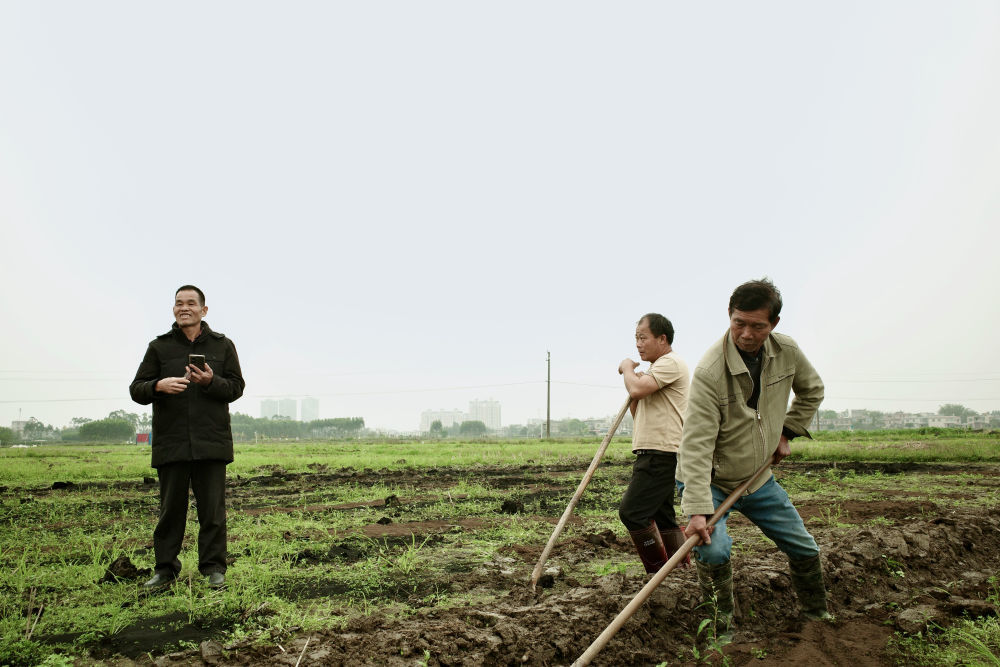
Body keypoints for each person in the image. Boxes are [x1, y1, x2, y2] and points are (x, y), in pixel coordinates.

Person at [678, 278, 829, 633]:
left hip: (759, 478)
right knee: (714, 553)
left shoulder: (786, 351)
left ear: (773, 324)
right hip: (714, 482)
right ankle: (721, 630)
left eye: (757, 325)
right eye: (738, 323)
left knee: (803, 546)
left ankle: (817, 618)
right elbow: (696, 444)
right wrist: (698, 510)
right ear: (729, 317)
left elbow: (813, 390)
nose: (746, 333)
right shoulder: (710, 372)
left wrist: (787, 432)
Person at [130, 285, 245, 590]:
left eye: (191, 304)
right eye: (179, 303)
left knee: (213, 513)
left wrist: (210, 381)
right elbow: (136, 389)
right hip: (172, 442)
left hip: (211, 442)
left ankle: (213, 569)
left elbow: (236, 388)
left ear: (203, 310)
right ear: (174, 310)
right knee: (170, 513)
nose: (184, 308)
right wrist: (158, 386)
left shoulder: (223, 346)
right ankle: (165, 570)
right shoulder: (159, 348)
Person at [617, 313, 690, 574]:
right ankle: (680, 569)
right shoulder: (655, 371)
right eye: (636, 338)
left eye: (643, 337)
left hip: (661, 453)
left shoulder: (670, 363)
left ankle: (658, 572)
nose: (638, 344)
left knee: (632, 513)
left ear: (662, 339)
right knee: (662, 516)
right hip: (654, 450)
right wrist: (634, 379)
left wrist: (627, 369)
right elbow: (639, 410)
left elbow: (636, 390)